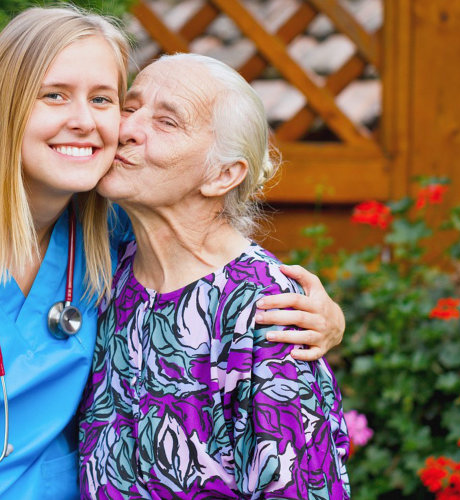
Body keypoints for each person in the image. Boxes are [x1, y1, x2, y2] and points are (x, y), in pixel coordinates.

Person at [0, 7, 348, 499]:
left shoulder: (107, 232)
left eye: (103, 100)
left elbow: (208, 247)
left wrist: (324, 316)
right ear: (4, 108)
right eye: (54, 95)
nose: (89, 121)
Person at [77, 53, 352, 499]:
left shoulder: (265, 313)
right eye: (129, 108)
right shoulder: (107, 259)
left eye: (167, 122)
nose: (126, 129)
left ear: (222, 175)